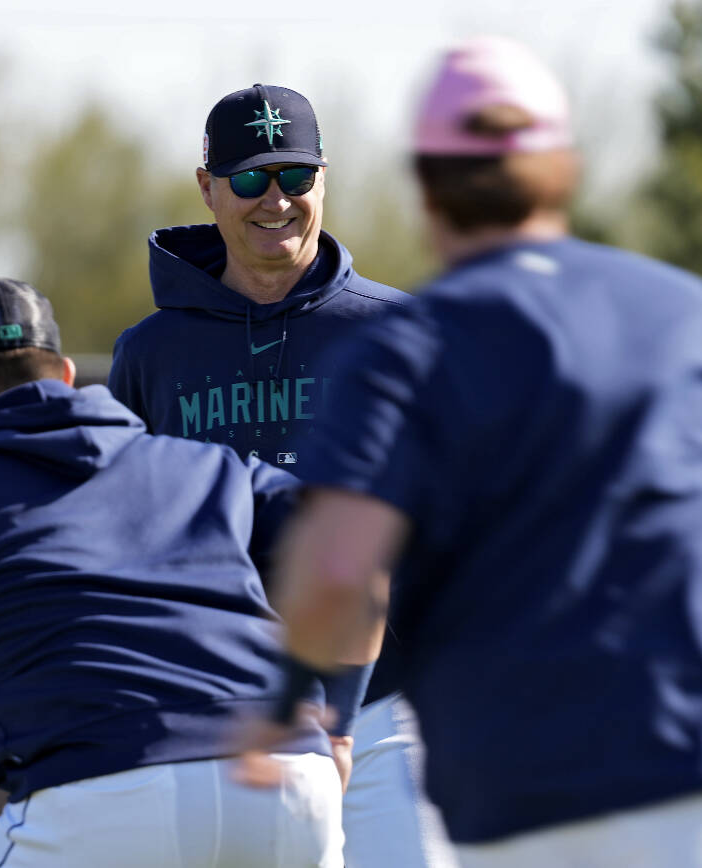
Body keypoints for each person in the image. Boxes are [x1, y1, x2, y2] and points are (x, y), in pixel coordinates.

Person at [258, 37, 702, 868]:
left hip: (514, 783)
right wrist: (650, 609)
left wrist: (285, 699)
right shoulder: (695, 314)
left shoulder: (401, 351)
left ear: (427, 187)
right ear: (565, 169)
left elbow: (335, 575)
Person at [0, 277, 344, 867]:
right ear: (63, 374)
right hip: (286, 786)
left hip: (107, 799)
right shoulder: (213, 468)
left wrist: (8, 703)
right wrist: (334, 712)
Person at [108, 85, 455, 867]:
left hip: (387, 711)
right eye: (251, 179)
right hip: (228, 723)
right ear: (207, 188)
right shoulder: (151, 354)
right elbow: (131, 537)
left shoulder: (395, 334)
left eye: (297, 177)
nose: (277, 200)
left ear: (323, 181)